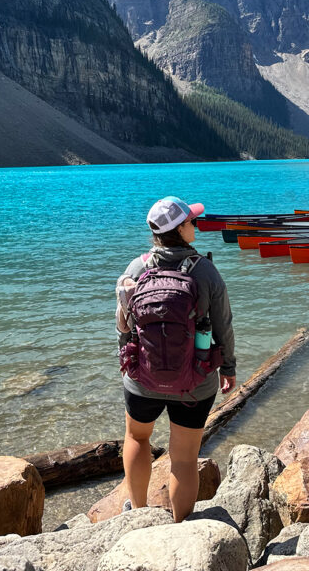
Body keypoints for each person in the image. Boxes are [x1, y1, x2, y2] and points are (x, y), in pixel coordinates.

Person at [116, 196, 236, 522]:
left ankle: (138, 512)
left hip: (143, 379)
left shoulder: (136, 268)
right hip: (194, 381)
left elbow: (125, 328)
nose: (195, 225)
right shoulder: (207, 272)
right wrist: (229, 368)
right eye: (191, 222)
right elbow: (224, 326)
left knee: (138, 438)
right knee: (183, 458)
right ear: (180, 229)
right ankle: (180, 524)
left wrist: (129, 368)